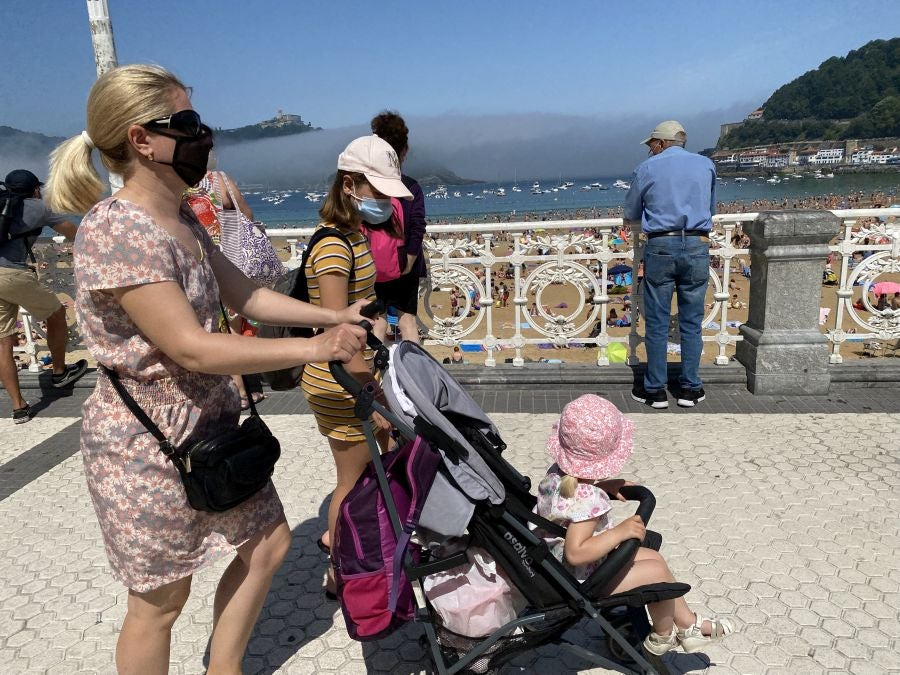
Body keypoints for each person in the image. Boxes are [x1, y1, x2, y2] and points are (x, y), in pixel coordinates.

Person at [47, 64, 368, 675]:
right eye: (188, 123)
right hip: (147, 442)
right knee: (161, 600)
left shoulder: (183, 216)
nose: (204, 135)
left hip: (210, 424)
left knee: (268, 545)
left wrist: (332, 316)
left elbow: (248, 295)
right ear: (142, 139)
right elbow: (191, 347)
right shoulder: (117, 229)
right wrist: (314, 349)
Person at [535, 395, 737, 656]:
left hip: (557, 566)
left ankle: (689, 625)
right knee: (657, 574)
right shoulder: (587, 498)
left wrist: (602, 487)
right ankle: (662, 636)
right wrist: (619, 532)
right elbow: (576, 552)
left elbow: (570, 504)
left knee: (654, 558)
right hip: (580, 579)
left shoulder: (556, 475)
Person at [301, 134, 413, 597]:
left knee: (369, 474)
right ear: (349, 186)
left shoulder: (354, 235)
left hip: (359, 372)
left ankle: (354, 554)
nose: (386, 202)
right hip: (342, 379)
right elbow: (338, 333)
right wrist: (371, 386)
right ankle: (339, 571)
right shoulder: (334, 246)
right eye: (378, 191)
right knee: (352, 481)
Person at [624, 121, 715, 409]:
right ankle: (690, 388)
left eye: (652, 144)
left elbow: (632, 211)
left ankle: (655, 390)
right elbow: (710, 208)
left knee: (657, 321)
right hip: (697, 243)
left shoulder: (647, 168)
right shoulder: (706, 165)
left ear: (662, 143)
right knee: (691, 322)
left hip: (662, 245)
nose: (650, 149)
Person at [0, 169, 88, 423]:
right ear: (35, 190)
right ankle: (60, 373)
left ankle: (19, 407)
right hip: (13, 274)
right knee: (56, 313)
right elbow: (76, 233)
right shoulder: (39, 207)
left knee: (3, 343)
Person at [188, 168, 267, 409]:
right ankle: (244, 390)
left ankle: (236, 389)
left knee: (215, 329)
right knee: (233, 328)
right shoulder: (217, 180)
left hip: (197, 264)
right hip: (230, 260)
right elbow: (246, 213)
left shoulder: (177, 185)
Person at [369, 111, 427, 344]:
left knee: (378, 320)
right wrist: (410, 260)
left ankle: (375, 365)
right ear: (404, 150)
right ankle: (412, 366)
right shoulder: (411, 186)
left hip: (375, 261)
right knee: (407, 321)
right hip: (405, 261)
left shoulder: (369, 185)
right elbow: (417, 226)